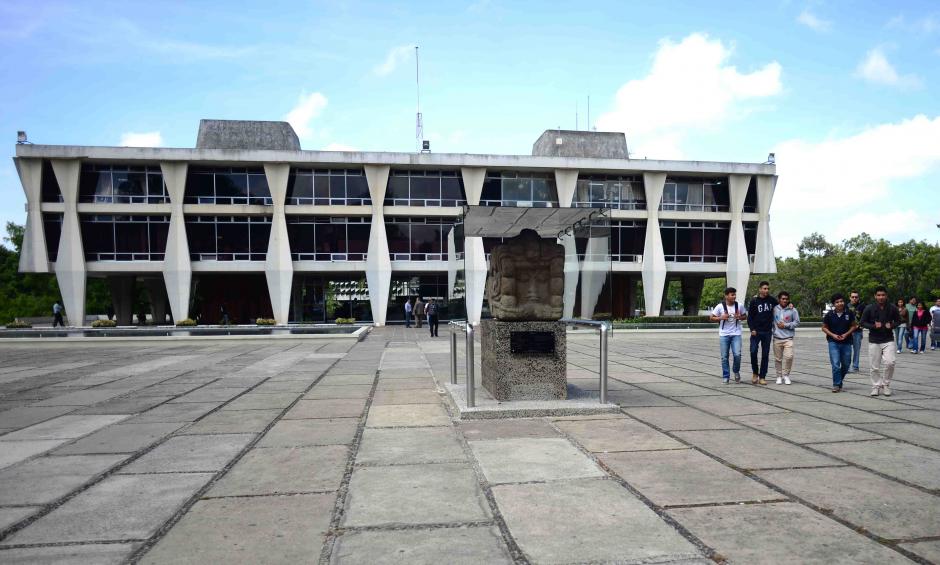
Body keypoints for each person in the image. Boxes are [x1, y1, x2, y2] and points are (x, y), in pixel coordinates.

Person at [859, 286, 900, 397]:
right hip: (874, 340)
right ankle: (876, 386)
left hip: (888, 339)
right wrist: (873, 326)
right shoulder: (869, 308)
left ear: (886, 296)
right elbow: (862, 322)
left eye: (883, 295)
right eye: (879, 295)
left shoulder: (892, 308)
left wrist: (891, 325)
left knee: (890, 362)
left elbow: (898, 320)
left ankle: (886, 384)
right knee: (874, 366)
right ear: (875, 296)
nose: (881, 297)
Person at [709, 287, 747, 384]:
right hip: (724, 334)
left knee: (737, 354)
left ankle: (736, 371)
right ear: (726, 296)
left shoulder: (739, 305)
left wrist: (740, 317)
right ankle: (726, 376)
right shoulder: (720, 306)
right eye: (732, 295)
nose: (734, 296)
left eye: (735, 295)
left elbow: (745, 316)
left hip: (736, 334)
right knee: (724, 357)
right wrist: (721, 317)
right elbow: (711, 317)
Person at [822, 293, 857, 392]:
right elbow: (824, 327)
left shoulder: (849, 313)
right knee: (835, 364)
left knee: (846, 364)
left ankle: (839, 380)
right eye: (837, 302)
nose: (840, 303)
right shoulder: (829, 315)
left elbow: (854, 326)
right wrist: (833, 335)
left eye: (841, 301)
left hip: (846, 342)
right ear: (834, 304)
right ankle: (836, 384)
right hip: (833, 342)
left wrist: (846, 334)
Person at [747, 281, 777, 385]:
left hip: (767, 332)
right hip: (756, 332)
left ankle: (762, 376)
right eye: (764, 288)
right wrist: (752, 329)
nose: (766, 290)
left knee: (765, 355)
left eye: (768, 289)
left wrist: (790, 304)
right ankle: (755, 373)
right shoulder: (754, 301)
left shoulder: (771, 300)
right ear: (760, 289)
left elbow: (782, 305)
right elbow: (750, 317)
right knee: (753, 351)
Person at [772, 291, 800, 385]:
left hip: (788, 338)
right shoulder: (774, 309)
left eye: (786, 299)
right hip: (777, 338)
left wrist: (786, 325)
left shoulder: (793, 310)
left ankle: (786, 375)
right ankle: (779, 376)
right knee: (778, 359)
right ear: (779, 299)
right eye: (783, 299)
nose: (785, 300)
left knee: (789, 357)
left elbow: (797, 322)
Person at [847, 291, 866, 372]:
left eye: (856, 297)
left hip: (857, 331)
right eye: (853, 297)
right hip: (847, 331)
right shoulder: (846, 306)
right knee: (847, 349)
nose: (854, 298)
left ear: (858, 298)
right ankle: (847, 366)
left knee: (856, 350)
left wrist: (862, 325)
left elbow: (865, 317)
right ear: (850, 297)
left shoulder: (862, 306)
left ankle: (855, 366)